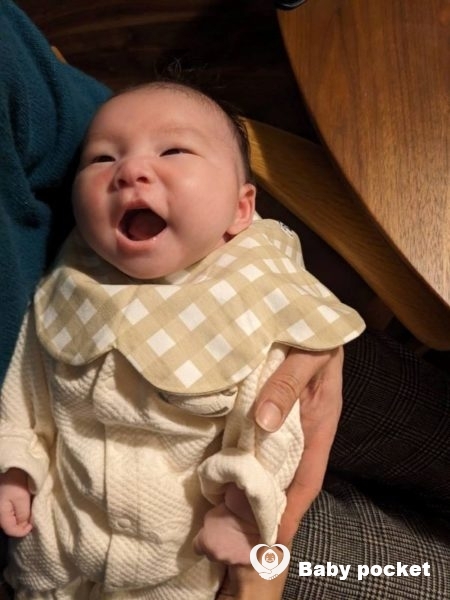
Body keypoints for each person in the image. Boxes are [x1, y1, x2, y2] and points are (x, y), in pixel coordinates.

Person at [0, 81, 364, 599]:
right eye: (101, 159)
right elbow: (24, 387)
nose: (130, 170)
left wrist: (242, 508)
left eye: (173, 151)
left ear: (241, 210)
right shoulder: (71, 288)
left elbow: (269, 428)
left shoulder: (246, 294)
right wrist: (16, 462)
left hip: (182, 554)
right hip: (64, 530)